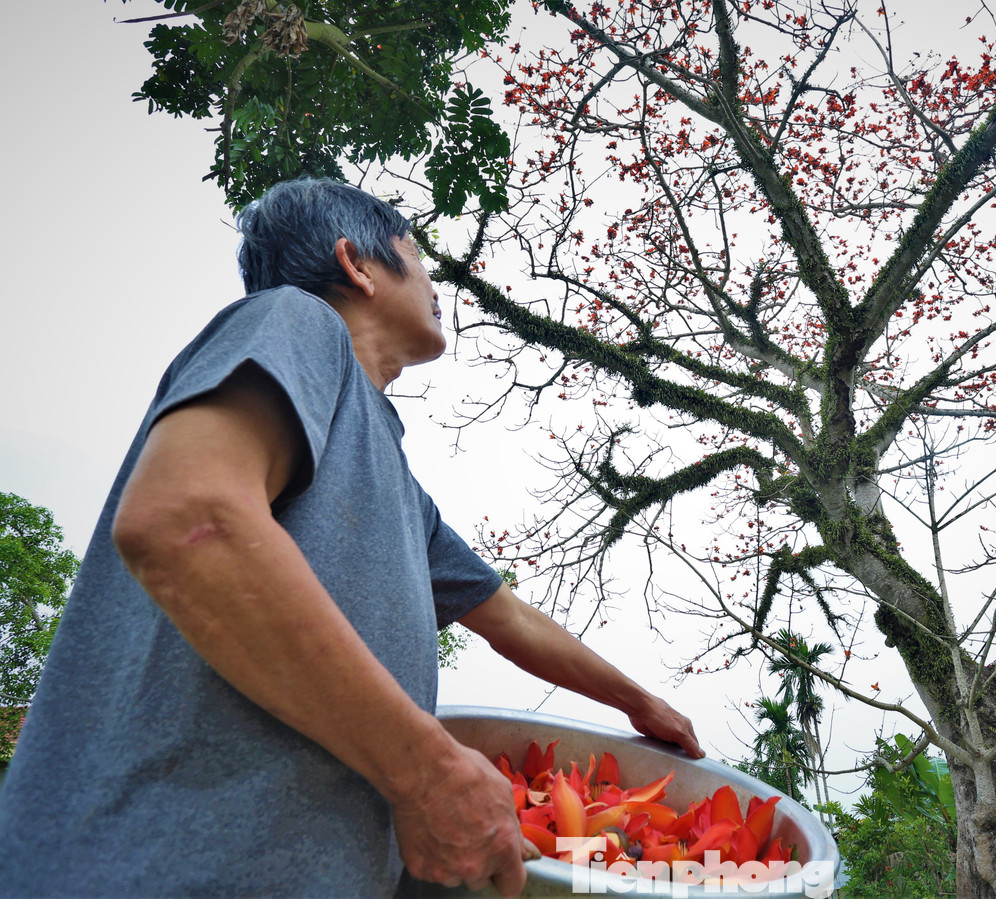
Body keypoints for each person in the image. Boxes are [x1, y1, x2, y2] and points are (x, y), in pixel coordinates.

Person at [0, 177, 702, 897]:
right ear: (356, 264)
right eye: (417, 255)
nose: (435, 284)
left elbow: (510, 618)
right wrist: (427, 771)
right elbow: (189, 520)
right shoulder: (294, 319)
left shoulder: (400, 490)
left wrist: (639, 703)